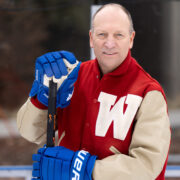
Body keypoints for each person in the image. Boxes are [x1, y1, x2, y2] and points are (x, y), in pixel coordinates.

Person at [17, 3, 171, 180]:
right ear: (91, 38)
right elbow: (30, 132)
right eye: (102, 34)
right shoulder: (70, 77)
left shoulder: (148, 93)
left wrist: (85, 170)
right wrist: (43, 99)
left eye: (119, 35)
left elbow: (146, 166)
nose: (109, 43)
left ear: (131, 39)